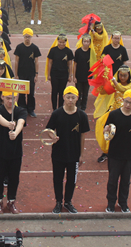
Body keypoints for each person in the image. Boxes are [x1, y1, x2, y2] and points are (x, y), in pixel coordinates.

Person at [44, 86, 90, 214]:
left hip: (74, 154)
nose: (70, 100)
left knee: (71, 179)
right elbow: (49, 130)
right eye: (68, 97)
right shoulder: (57, 114)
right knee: (57, 178)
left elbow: (82, 135)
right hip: (58, 153)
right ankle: (58, 202)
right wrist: (52, 136)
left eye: (73, 97)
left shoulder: (82, 115)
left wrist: (81, 154)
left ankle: (68, 202)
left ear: (77, 98)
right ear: (63, 98)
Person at [103, 90, 131, 213]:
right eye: (126, 101)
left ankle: (123, 203)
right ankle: (111, 203)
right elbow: (107, 131)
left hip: (130, 154)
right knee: (112, 180)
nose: (127, 105)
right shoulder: (114, 115)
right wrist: (106, 129)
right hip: (114, 153)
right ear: (123, 100)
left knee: (126, 180)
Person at [0, 91, 27, 214]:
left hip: (15, 152)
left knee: (14, 178)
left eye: (13, 98)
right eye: (7, 98)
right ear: (2, 97)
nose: (10, 101)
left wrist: (15, 133)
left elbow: (21, 122)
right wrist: (9, 125)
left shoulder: (21, 111)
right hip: (0, 151)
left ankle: (11, 201)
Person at [95, 65, 131, 163]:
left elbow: (122, 89)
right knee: (104, 126)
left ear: (129, 76)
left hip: (127, 113)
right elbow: (105, 91)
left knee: (128, 133)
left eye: (125, 75)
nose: (122, 77)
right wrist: (103, 84)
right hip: (115, 112)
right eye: (121, 75)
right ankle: (107, 151)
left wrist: (113, 80)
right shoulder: (115, 83)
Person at [14, 28, 41, 118]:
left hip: (31, 74)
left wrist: (36, 74)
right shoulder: (19, 47)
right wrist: (16, 74)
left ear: (31, 37)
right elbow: (16, 61)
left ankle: (31, 109)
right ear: (23, 36)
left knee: (31, 93)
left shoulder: (35, 48)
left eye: (29, 37)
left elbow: (36, 62)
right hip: (22, 73)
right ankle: (22, 108)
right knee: (21, 92)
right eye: (26, 37)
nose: (27, 38)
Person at [46, 34, 74, 110]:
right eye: (60, 42)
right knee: (54, 91)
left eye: (63, 42)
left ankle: (60, 108)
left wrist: (70, 75)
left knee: (62, 92)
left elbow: (70, 64)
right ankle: (54, 108)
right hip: (54, 74)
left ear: (66, 42)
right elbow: (50, 63)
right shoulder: (53, 50)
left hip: (64, 75)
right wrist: (48, 74)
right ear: (57, 41)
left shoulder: (68, 51)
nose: (61, 44)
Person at [73, 34, 92, 112]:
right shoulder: (78, 51)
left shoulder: (91, 52)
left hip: (88, 76)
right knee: (78, 92)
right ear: (82, 42)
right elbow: (75, 64)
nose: (86, 43)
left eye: (88, 41)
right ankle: (77, 106)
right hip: (79, 76)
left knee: (85, 93)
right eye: (85, 41)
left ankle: (83, 107)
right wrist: (74, 76)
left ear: (90, 43)